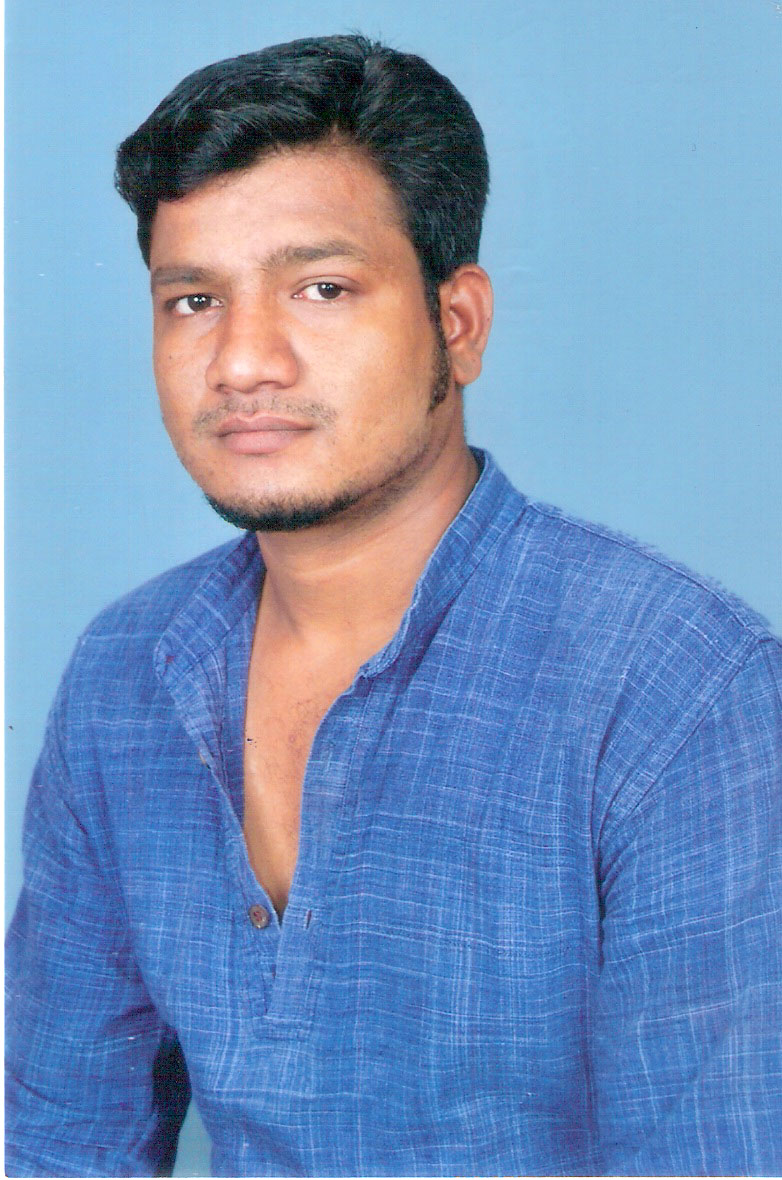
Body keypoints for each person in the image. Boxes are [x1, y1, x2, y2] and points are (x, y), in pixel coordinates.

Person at [5, 32, 781, 1178]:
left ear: (455, 324)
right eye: (193, 299)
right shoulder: (126, 673)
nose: (242, 361)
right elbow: (58, 1143)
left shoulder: (675, 685)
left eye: (320, 288)